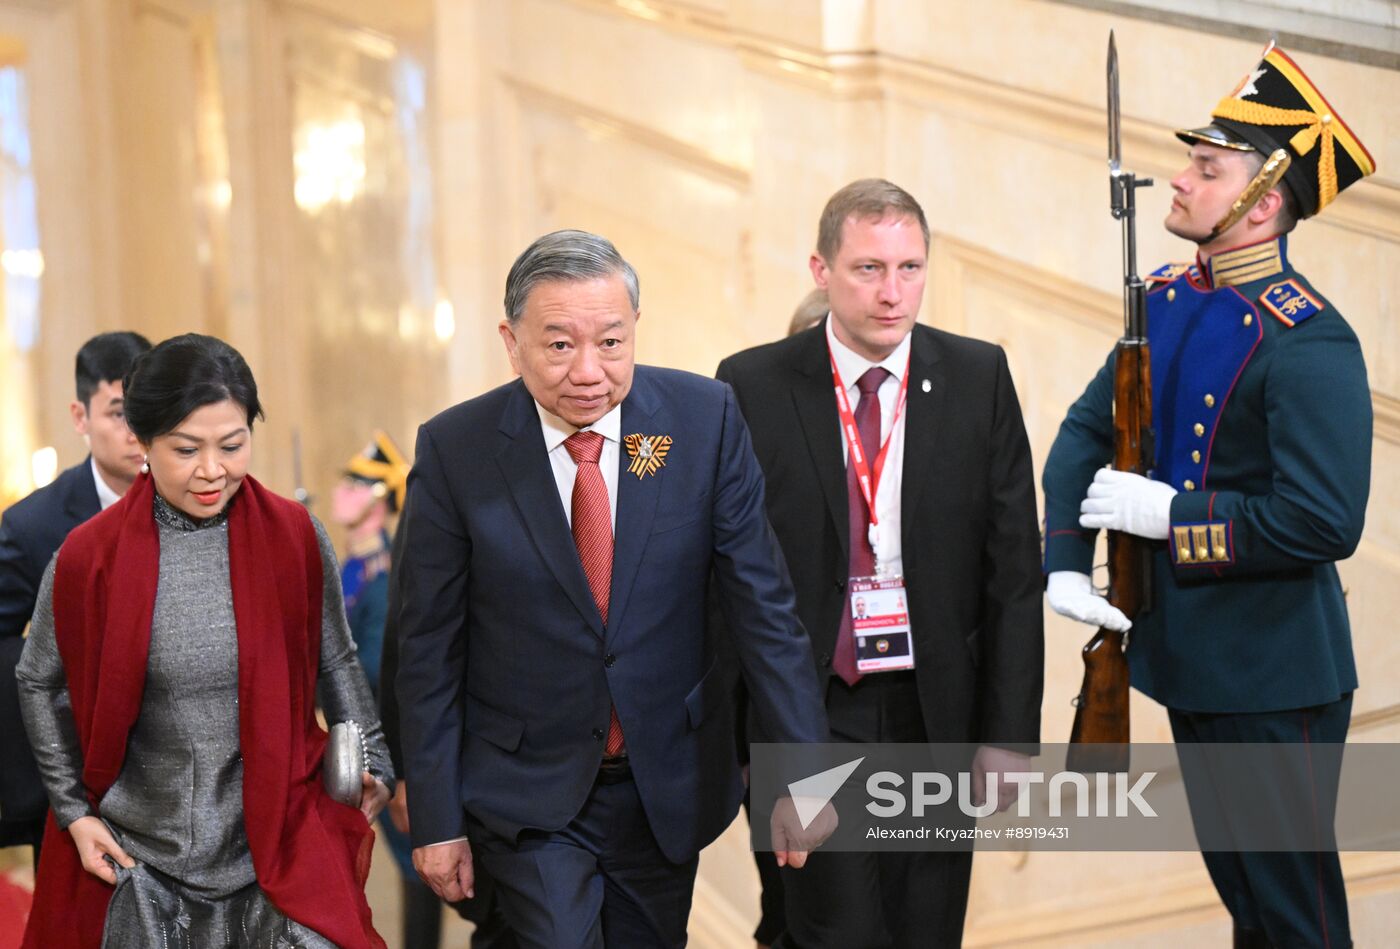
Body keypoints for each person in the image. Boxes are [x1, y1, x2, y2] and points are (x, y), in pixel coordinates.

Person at [396, 229, 831, 948]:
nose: (589, 371)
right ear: (512, 340)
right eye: (560, 344)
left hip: (663, 780)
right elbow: (428, 647)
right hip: (527, 790)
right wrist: (437, 818)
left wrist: (802, 768)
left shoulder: (704, 420)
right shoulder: (458, 450)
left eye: (611, 341)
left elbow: (765, 609)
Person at [1042, 44, 1374, 948]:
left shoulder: (1309, 343)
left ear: (1263, 203)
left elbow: (1323, 520)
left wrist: (1169, 517)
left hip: (1271, 671)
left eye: (1206, 167)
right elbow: (1084, 431)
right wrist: (1066, 561)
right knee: (1251, 909)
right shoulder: (1169, 298)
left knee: (1294, 917)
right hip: (1190, 655)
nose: (1180, 180)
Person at [716, 178, 1044, 948]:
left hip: (937, 713)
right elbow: (725, 579)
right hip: (812, 714)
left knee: (926, 931)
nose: (892, 292)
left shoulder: (977, 377)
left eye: (910, 268)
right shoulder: (752, 384)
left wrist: (1009, 736)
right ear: (820, 269)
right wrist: (741, 747)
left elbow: (1013, 575)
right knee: (837, 930)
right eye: (868, 268)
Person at [16, 333, 394, 949]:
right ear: (143, 441)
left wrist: (374, 762)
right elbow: (36, 678)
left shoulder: (294, 535)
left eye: (233, 444)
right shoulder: (89, 557)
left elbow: (337, 656)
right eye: (186, 449)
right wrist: (73, 812)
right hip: (143, 857)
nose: (212, 471)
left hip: (279, 842)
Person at [0, 331, 150, 862]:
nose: (136, 432)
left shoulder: (199, 501)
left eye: (146, 410)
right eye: (117, 414)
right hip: (77, 792)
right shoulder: (33, 526)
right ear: (80, 416)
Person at [331, 431, 450, 948]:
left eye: (357, 484)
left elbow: (382, 673)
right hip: (356, 742)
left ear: (379, 500)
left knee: (415, 869)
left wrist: (396, 771)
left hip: (383, 747)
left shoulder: (381, 577)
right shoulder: (353, 567)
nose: (343, 491)